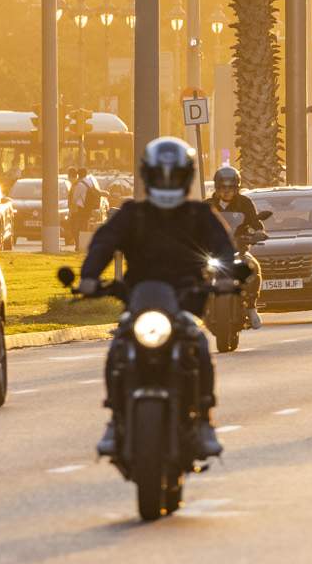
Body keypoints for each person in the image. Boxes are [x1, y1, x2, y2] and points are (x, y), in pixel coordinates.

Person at [76, 136, 237, 460]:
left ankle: (204, 420)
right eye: (160, 175)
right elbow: (104, 242)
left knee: (201, 347)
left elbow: (223, 247)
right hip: (140, 299)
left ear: (185, 177)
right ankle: (116, 418)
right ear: (148, 176)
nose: (166, 182)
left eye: (173, 176)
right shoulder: (134, 214)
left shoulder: (197, 215)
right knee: (119, 348)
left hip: (184, 301)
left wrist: (228, 277)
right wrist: (89, 277)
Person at [209, 164, 269, 328]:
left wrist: (258, 233)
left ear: (237, 188)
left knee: (254, 268)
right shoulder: (207, 205)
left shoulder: (245, 203)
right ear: (216, 188)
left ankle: (251, 307)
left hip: (239, 250)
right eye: (222, 187)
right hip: (214, 253)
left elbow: (256, 224)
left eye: (231, 187)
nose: (226, 191)